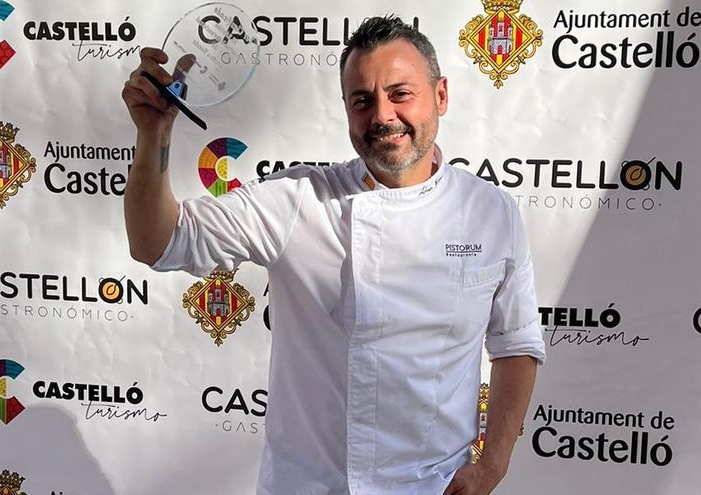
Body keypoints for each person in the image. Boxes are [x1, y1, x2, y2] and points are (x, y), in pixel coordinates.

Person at [121, 15, 545, 495]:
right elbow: (157, 242)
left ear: (441, 96)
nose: (382, 115)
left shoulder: (489, 211)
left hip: (431, 486)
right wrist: (153, 135)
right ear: (345, 110)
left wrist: (493, 466)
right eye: (361, 100)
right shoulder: (298, 199)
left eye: (400, 93)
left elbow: (516, 343)